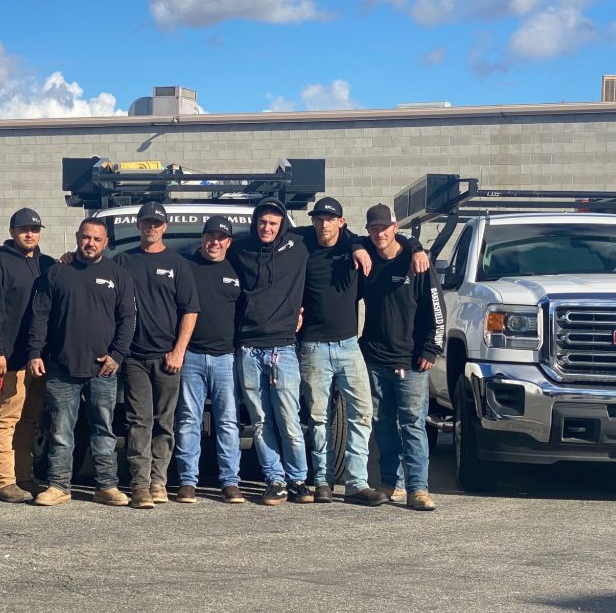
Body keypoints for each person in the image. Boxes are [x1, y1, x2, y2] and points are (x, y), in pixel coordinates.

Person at [296, 197, 427, 506]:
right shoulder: (302, 247)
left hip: (349, 345)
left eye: (330, 219)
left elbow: (391, 238)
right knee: (317, 417)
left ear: (342, 222)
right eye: (318, 219)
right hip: (312, 347)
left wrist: (417, 247)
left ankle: (356, 483)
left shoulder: (356, 248)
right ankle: (322, 481)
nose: (323, 224)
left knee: (363, 414)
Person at [27, 218, 136, 507]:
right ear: (77, 237)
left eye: (97, 239)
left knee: (104, 429)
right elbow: (41, 316)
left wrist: (118, 355)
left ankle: (107, 486)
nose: (90, 243)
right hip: (61, 367)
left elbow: (128, 319)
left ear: (106, 243)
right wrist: (35, 352)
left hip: (103, 369)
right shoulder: (57, 273)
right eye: (86, 237)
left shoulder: (119, 275)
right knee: (61, 431)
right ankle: (59, 485)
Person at [113, 201, 200, 510]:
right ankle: (139, 486)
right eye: (146, 222)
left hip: (168, 357)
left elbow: (190, 311)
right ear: (138, 226)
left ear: (165, 227)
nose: (151, 226)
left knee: (165, 421)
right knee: (139, 421)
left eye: (157, 222)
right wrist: (68, 258)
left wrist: (178, 351)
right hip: (134, 357)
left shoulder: (177, 264)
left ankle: (158, 481)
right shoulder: (123, 261)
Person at [360, 203, 445, 511]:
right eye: (373, 228)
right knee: (382, 425)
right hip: (375, 358)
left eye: (384, 227)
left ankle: (418, 488)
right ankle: (389, 484)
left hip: (411, 361)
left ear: (395, 228)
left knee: (412, 424)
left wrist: (430, 349)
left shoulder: (417, 263)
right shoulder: (366, 260)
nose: (379, 233)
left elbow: (436, 310)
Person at [227, 198, 310, 506]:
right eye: (262, 222)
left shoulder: (299, 245)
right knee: (261, 420)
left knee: (289, 417)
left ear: (282, 225)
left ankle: (299, 479)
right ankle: (274, 480)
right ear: (255, 222)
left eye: (273, 223)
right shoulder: (239, 250)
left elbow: (338, 233)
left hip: (284, 347)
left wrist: (414, 246)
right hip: (248, 348)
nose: (267, 227)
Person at [0, 208, 55, 502]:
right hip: (6, 359)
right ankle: (4, 482)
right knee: (5, 419)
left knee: (28, 420)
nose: (29, 233)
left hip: (36, 360)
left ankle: (24, 477)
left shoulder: (46, 264)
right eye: (23, 229)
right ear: (12, 231)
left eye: (35, 229)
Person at [172, 216, 244, 504]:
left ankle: (230, 482)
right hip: (191, 356)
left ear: (229, 242)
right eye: (210, 237)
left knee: (228, 421)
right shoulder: (185, 267)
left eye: (221, 238)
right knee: (188, 419)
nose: (215, 242)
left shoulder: (238, 270)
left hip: (226, 357)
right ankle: (188, 481)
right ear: (202, 239)